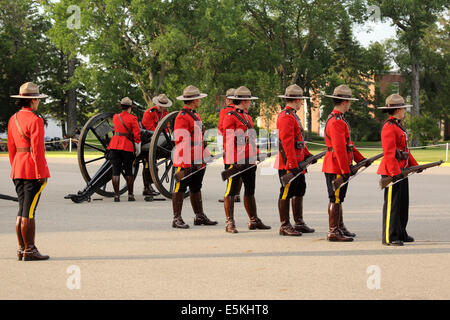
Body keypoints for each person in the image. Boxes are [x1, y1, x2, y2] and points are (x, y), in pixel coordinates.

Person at [8, 82, 50, 261]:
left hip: (18, 167)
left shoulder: (13, 119)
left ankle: (21, 249)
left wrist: (15, 166)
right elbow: (38, 150)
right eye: (37, 100)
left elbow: (11, 148)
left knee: (22, 209)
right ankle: (30, 250)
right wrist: (41, 173)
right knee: (29, 211)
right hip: (32, 170)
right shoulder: (35, 120)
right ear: (33, 101)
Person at [222, 86, 271, 233]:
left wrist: (256, 153)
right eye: (249, 100)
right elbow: (229, 141)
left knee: (250, 190)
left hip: (249, 160)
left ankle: (253, 220)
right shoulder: (230, 116)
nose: (250, 103)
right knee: (231, 191)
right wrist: (233, 162)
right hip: (237, 161)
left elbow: (251, 139)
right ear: (243, 101)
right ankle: (229, 222)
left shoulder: (247, 116)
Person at [322, 85, 367, 242]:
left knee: (339, 198)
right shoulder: (336, 121)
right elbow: (340, 149)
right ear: (344, 102)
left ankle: (339, 227)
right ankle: (333, 231)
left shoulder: (339, 119)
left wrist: (360, 159)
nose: (349, 104)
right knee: (335, 198)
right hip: (335, 166)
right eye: (349, 101)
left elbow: (349, 145)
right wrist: (344, 169)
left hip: (338, 164)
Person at [172, 85, 217, 229]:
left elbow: (200, 138)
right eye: (198, 99)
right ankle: (176, 218)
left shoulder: (195, 115)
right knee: (180, 187)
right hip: (186, 158)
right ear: (193, 100)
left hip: (198, 158)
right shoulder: (182, 116)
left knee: (196, 187)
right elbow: (181, 140)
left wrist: (206, 154)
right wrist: (187, 161)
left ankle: (199, 215)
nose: (200, 101)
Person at [377, 94, 419, 246]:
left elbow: (404, 150)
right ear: (397, 110)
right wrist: (395, 174)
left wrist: (414, 165)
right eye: (403, 108)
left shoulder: (398, 125)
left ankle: (401, 231)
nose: (404, 111)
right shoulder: (389, 127)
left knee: (402, 204)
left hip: (401, 170)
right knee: (392, 206)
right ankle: (390, 236)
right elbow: (389, 154)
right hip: (392, 172)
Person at [275, 84, 315, 236]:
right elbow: (286, 143)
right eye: (301, 100)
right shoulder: (286, 117)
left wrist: (307, 155)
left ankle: (298, 222)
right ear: (296, 99)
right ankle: (285, 225)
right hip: (289, 164)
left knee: (299, 191)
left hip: (298, 162)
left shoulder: (293, 115)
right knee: (286, 192)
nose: (301, 103)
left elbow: (299, 140)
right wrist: (291, 164)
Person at [108, 97, 141, 202]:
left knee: (116, 171)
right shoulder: (133, 118)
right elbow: (137, 134)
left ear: (122, 107)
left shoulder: (115, 117)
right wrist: (137, 146)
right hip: (126, 146)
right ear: (130, 108)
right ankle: (130, 195)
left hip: (114, 145)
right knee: (128, 171)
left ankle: (116, 196)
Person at [141, 93, 172, 196]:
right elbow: (150, 130)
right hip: (148, 141)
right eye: (161, 105)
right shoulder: (149, 113)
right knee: (149, 166)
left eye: (164, 105)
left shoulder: (165, 113)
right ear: (157, 104)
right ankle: (147, 187)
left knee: (153, 166)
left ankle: (149, 187)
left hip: (160, 141)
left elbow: (167, 127)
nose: (163, 107)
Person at [218, 88, 242, 203]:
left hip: (229, 145)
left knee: (229, 169)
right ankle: (237, 194)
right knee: (240, 169)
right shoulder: (241, 111)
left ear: (228, 99)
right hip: (241, 145)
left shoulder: (225, 111)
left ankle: (229, 194)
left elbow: (221, 129)